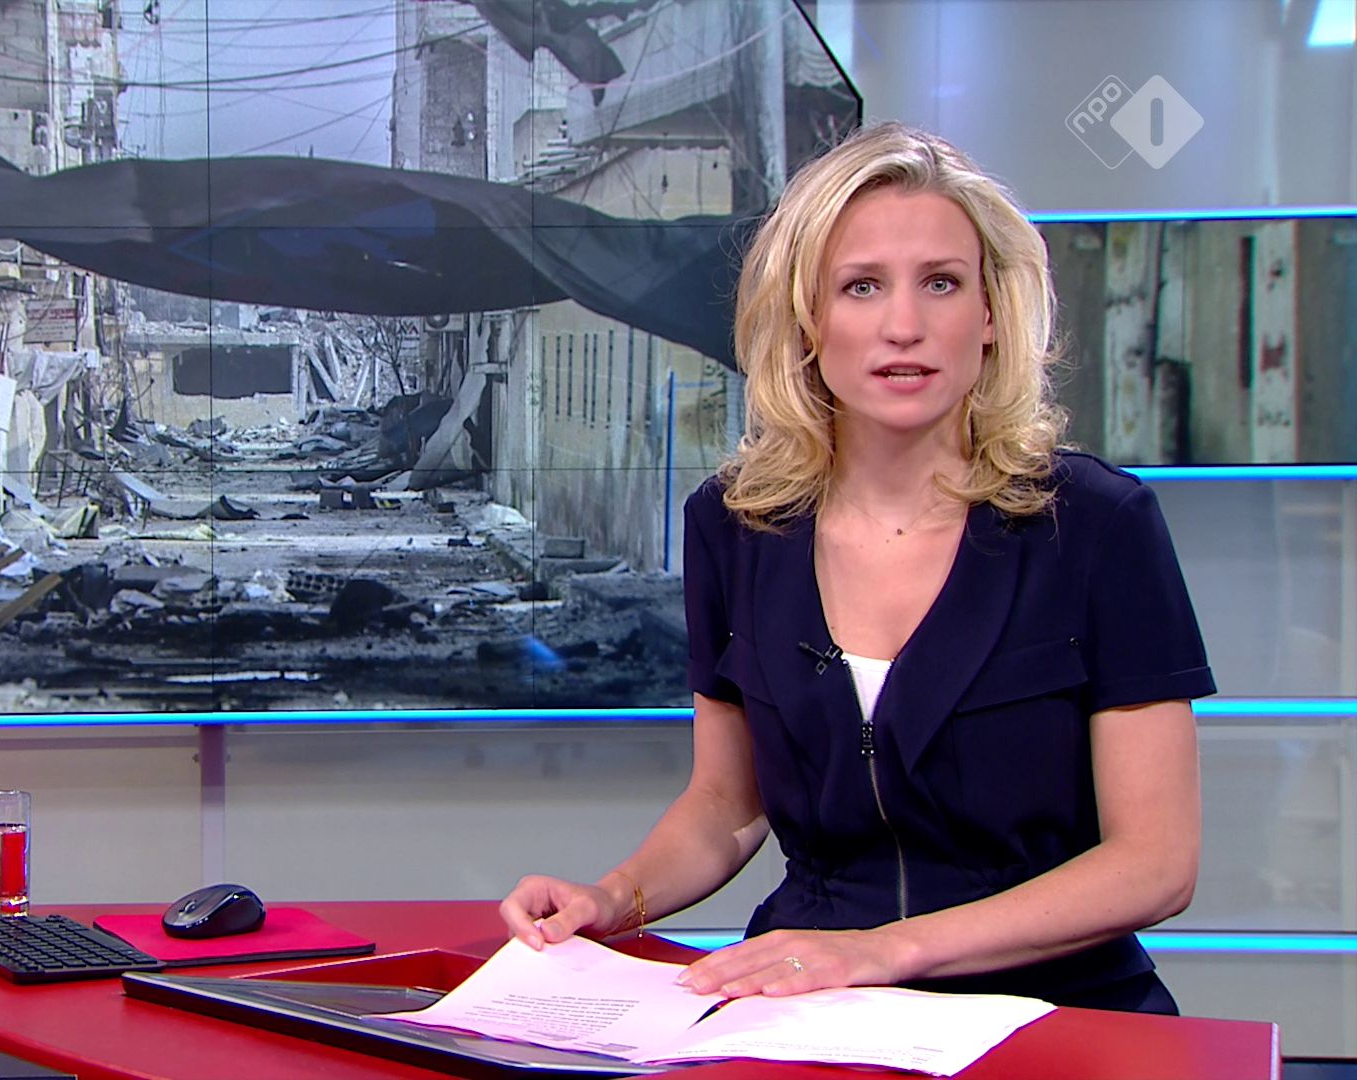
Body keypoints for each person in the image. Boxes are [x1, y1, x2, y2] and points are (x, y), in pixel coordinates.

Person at [498, 122, 1213, 1014]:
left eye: (941, 283)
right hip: (809, 1009)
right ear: (807, 320)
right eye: (862, 286)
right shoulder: (733, 526)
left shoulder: (1099, 525)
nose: (904, 327)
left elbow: (1155, 863)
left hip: (1054, 1010)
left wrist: (884, 952)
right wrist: (614, 899)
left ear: (991, 315)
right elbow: (725, 803)